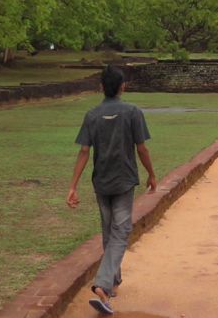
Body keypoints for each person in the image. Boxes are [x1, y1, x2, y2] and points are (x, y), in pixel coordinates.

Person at [67, 66, 158, 316]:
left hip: (102, 183)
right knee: (120, 232)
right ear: (122, 87)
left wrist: (73, 185)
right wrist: (151, 174)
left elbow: (84, 151)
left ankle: (113, 284)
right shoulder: (132, 112)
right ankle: (103, 284)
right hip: (124, 181)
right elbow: (142, 149)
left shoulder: (92, 115)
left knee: (110, 232)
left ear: (100, 88)